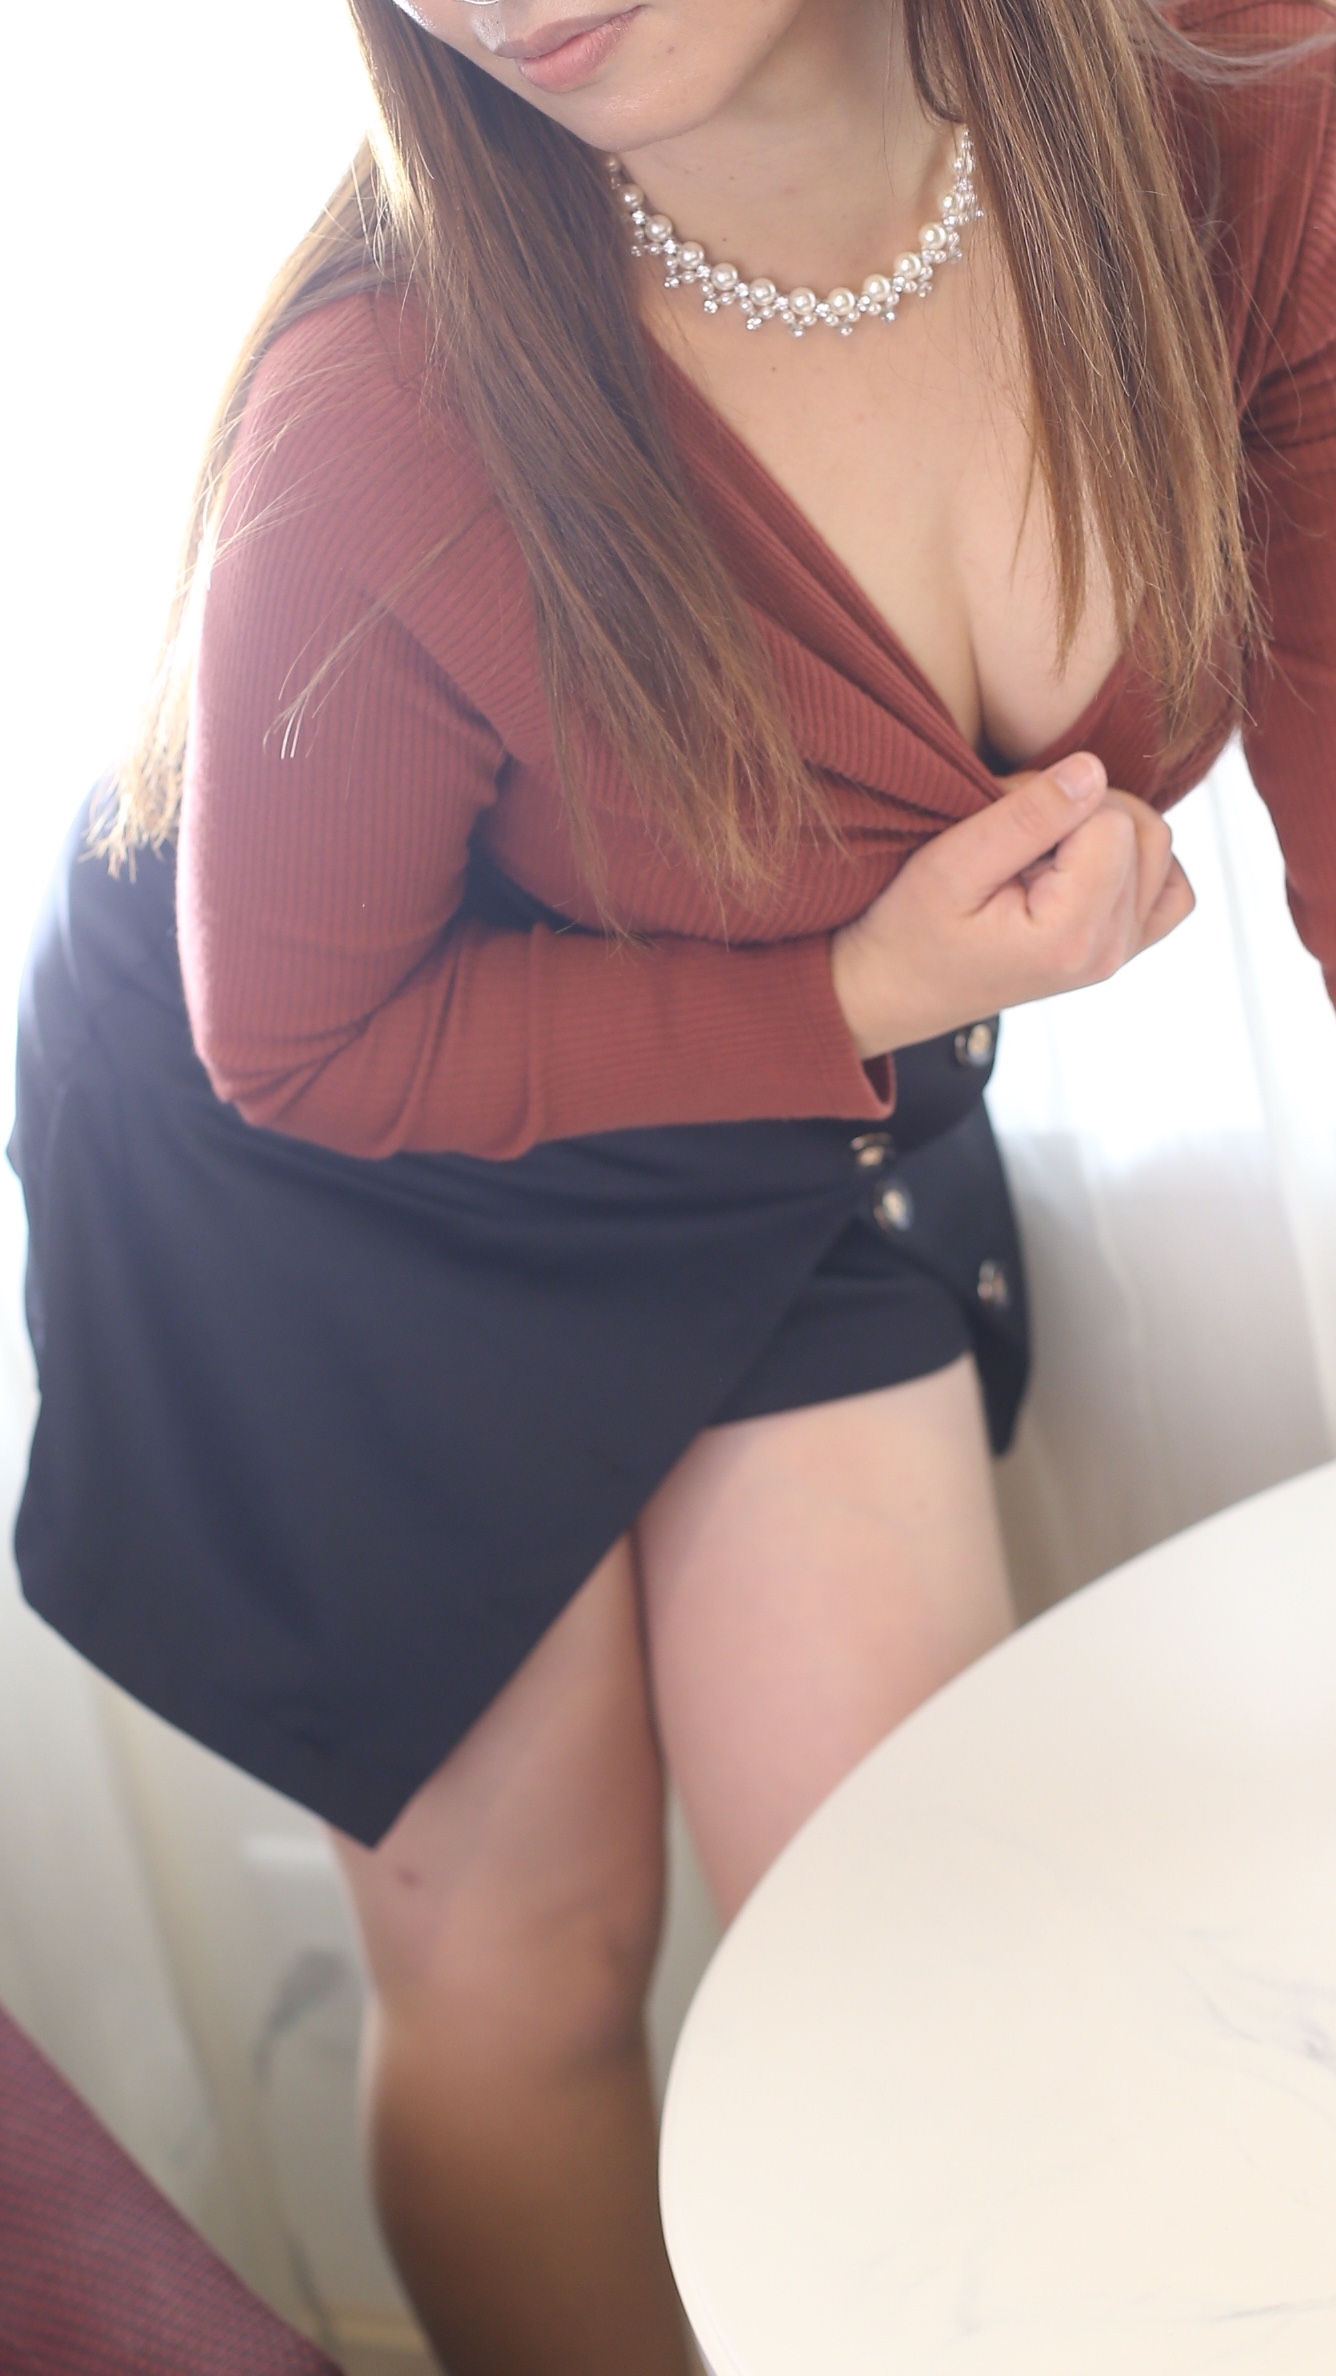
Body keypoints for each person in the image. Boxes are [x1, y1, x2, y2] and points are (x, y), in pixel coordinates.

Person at [11, 0, 1335, 2367]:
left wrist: (850, 1004)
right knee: (526, 1954)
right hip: (337, 1168)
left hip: (780, 1104)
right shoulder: (381, 421)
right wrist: (852, 984)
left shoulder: (1237, 116)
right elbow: (301, 1040)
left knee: (911, 1898)